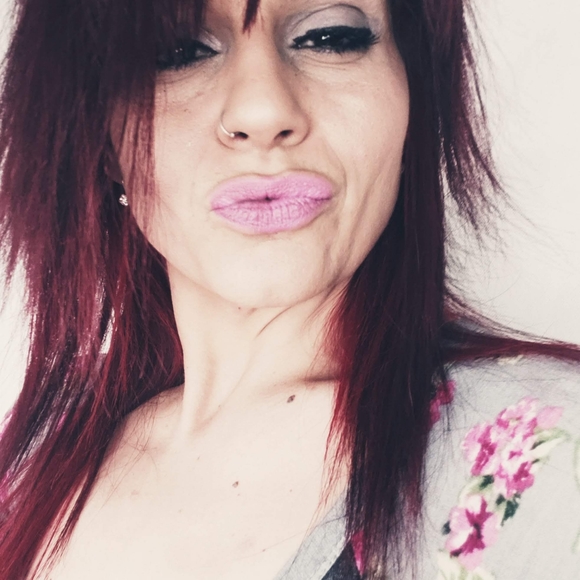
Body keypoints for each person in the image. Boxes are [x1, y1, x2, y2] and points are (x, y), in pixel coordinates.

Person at [0, 0, 579, 578]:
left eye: (330, 37)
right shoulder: (31, 463)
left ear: (412, 97)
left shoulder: (556, 464)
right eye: (177, 51)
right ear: (100, 137)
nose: (263, 110)